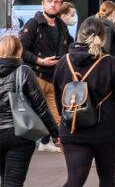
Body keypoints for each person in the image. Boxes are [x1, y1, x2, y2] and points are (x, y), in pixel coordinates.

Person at [53, 18, 115, 187]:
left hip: (72, 129)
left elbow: (59, 99)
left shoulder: (63, 63)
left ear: (79, 36)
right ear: (103, 38)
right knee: (107, 178)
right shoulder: (110, 63)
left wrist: (64, 122)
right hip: (106, 131)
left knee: (75, 179)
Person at [0, 35, 59, 186]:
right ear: (19, 51)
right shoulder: (24, 71)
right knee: (13, 182)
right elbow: (40, 106)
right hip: (19, 133)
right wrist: (55, 134)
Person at [19, 0, 73, 153]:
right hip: (37, 76)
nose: (53, 5)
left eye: (56, 2)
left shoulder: (61, 25)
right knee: (34, 115)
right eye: (49, 1)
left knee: (56, 116)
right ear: (43, 4)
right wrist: (40, 60)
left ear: (60, 5)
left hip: (55, 77)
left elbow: (70, 47)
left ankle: (50, 142)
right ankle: (26, 147)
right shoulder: (33, 24)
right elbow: (21, 49)